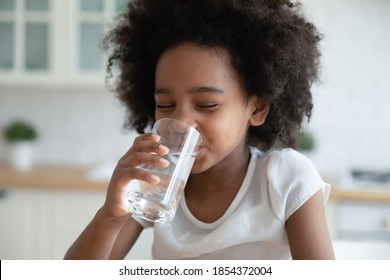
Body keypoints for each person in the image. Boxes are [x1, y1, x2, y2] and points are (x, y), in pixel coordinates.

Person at [65, 0, 335, 260]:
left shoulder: (286, 179)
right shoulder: (158, 184)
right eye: (166, 104)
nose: (182, 121)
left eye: (207, 104)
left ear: (256, 109)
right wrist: (111, 215)